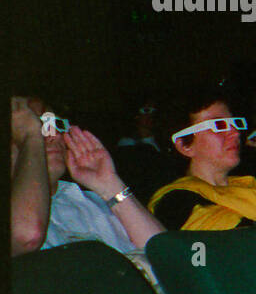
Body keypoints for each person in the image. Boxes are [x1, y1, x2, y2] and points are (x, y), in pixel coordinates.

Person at [11, 96, 165, 255]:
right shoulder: (16, 218)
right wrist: (31, 137)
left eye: (55, 124)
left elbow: (165, 253)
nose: (54, 135)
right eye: (38, 126)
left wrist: (109, 185)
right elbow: (26, 236)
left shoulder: (86, 199)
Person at [149, 91, 256, 230]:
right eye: (219, 125)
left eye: (235, 123)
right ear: (184, 145)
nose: (235, 132)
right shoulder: (175, 203)